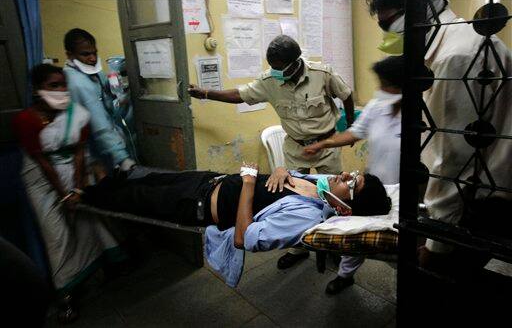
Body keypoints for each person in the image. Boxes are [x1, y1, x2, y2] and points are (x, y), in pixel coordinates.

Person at [367, 0, 512, 269]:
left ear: (423, 10)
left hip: (480, 206)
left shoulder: (456, 57)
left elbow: (454, 160)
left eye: (390, 22)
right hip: (469, 197)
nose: (388, 33)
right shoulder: (448, 45)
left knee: (442, 287)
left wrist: (437, 244)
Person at [188, 34, 356, 269]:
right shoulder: (269, 81)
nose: (275, 72)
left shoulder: (322, 74)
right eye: (273, 68)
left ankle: (332, 243)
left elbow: (346, 95)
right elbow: (240, 95)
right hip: (296, 147)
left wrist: (349, 126)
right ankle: (298, 246)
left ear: (296, 63)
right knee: (291, 197)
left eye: (280, 69)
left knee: (333, 198)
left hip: (326, 146)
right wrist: (206, 93)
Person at [82, 164, 391, 286]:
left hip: (197, 204)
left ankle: (82, 197)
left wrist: (247, 184)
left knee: (132, 197)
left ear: (345, 208)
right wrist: (283, 169)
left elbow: (244, 238)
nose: (346, 176)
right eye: (354, 173)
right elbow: (295, 172)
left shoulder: (307, 217)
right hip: (206, 180)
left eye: (353, 184)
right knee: (146, 179)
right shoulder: (321, 186)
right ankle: (103, 184)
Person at [12, 64, 126, 323]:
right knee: (57, 236)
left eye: (63, 85)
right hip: (42, 181)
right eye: (54, 86)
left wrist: (76, 190)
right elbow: (42, 162)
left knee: (88, 223)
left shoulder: (77, 115)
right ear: (37, 89)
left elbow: (78, 153)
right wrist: (63, 195)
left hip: (73, 174)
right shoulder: (26, 121)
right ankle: (66, 296)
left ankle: (104, 269)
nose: (61, 90)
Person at [304, 55, 404, 294]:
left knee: (395, 246)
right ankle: (345, 275)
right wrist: (324, 144)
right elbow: (355, 133)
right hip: (371, 188)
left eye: (385, 83)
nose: (380, 88)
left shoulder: (420, 113)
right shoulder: (377, 107)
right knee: (357, 234)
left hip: (405, 191)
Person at [63, 28, 136, 175]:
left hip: (107, 142)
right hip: (93, 147)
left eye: (94, 53)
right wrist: (121, 157)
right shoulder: (77, 82)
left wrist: (119, 93)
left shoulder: (92, 72)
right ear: (70, 55)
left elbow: (108, 100)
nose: (92, 58)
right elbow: (99, 123)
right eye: (85, 54)